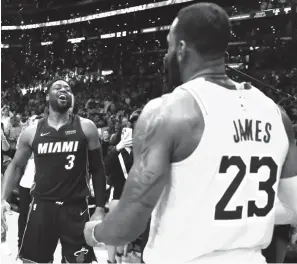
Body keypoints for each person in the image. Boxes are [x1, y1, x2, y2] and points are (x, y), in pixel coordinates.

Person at [84, 3, 297, 264]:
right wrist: (232, 215)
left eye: (169, 45)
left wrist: (94, 232)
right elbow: (292, 208)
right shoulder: (276, 114)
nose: (166, 55)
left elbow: (129, 224)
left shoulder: (168, 112)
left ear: (181, 48)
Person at [1, 79, 106, 263]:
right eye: (58, 87)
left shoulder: (86, 127)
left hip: (75, 208)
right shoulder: (32, 132)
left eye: (68, 88)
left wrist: (99, 208)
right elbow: (16, 166)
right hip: (42, 207)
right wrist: (2, 199)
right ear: (48, 96)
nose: (63, 89)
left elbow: (98, 169)